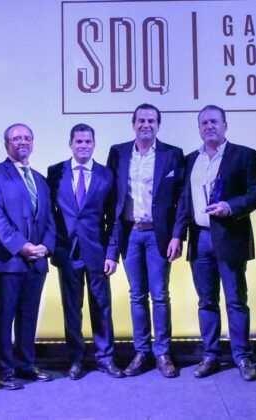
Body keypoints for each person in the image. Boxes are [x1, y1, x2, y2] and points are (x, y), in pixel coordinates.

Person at [174, 105, 256, 381]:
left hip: (230, 237)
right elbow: (183, 202)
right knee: (206, 302)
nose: (209, 126)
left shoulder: (245, 155)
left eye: (214, 121)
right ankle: (210, 355)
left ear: (225, 125)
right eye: (204, 123)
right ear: (198, 128)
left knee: (236, 301)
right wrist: (178, 235)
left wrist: (232, 206)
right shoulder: (190, 160)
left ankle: (242, 356)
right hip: (199, 239)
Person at [106, 103, 184, 378]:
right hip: (129, 233)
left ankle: (162, 352)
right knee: (137, 295)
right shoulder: (118, 153)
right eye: (141, 120)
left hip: (157, 235)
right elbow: (112, 199)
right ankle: (141, 352)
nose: (146, 125)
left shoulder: (172, 154)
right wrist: (111, 245)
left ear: (158, 125)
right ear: (133, 124)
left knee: (160, 295)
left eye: (151, 120)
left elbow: (181, 199)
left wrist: (177, 235)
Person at [0, 123, 56, 391]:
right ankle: (2, 370)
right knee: (4, 318)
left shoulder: (40, 179)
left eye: (27, 138)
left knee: (28, 316)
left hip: (37, 261)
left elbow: (49, 218)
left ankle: (25, 364)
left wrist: (46, 246)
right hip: (8, 261)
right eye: (17, 138)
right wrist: (21, 246)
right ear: (6, 144)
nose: (23, 142)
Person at [47, 123, 124, 380]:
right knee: (72, 308)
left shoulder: (106, 175)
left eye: (88, 141)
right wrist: (51, 246)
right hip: (67, 251)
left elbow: (113, 218)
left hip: (97, 251)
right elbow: (50, 214)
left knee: (101, 306)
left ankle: (106, 357)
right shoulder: (55, 172)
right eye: (78, 141)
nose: (83, 146)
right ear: (70, 144)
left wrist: (112, 253)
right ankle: (76, 359)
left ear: (94, 144)